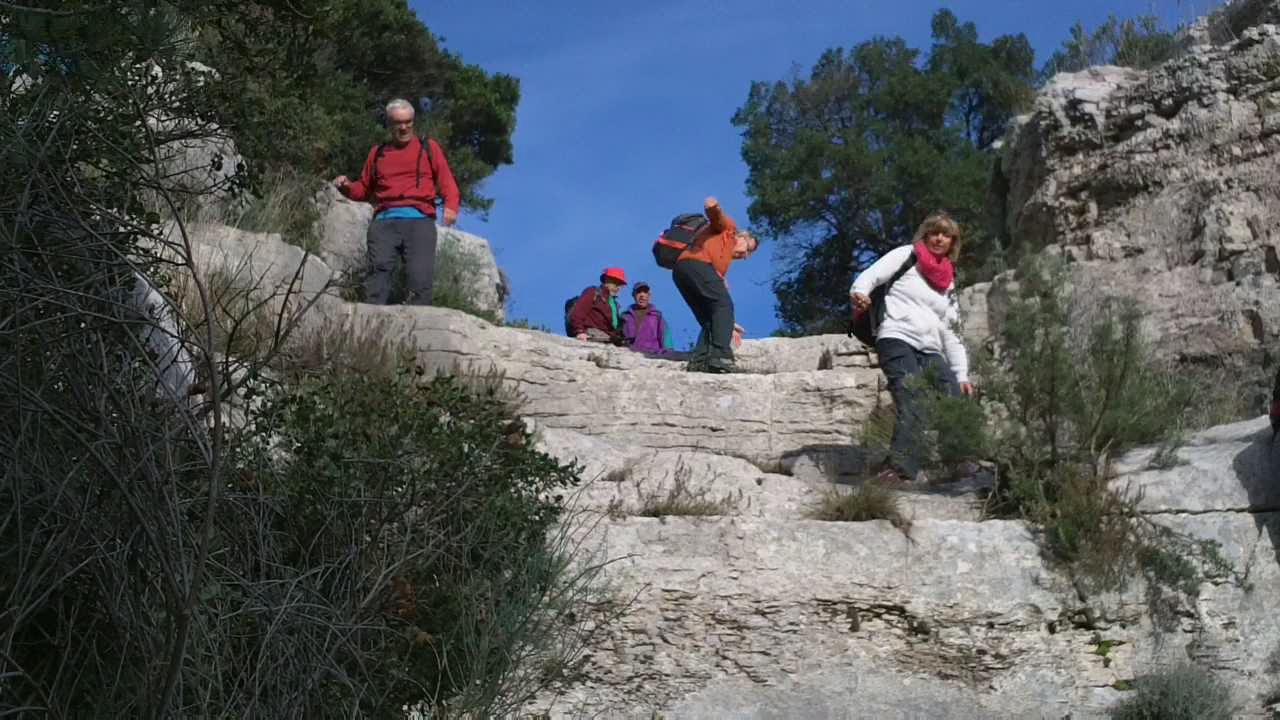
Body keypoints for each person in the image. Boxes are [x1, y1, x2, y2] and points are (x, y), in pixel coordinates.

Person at [850, 211, 974, 485]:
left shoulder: (948, 280)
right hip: (896, 337)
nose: (939, 238)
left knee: (953, 396)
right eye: (934, 232)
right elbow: (871, 276)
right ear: (925, 235)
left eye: (946, 235)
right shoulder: (907, 255)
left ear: (953, 242)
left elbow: (952, 330)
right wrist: (860, 293)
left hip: (930, 349)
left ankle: (958, 461)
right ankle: (898, 470)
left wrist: (961, 373)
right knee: (913, 397)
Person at [332, 98, 460, 305]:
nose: (404, 127)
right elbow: (363, 189)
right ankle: (372, 321)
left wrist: (451, 207)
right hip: (384, 223)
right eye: (398, 123)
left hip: (419, 222)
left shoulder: (428, 147)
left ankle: (418, 323)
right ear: (389, 124)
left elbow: (447, 182)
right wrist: (346, 186)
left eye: (408, 122)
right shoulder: (378, 153)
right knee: (377, 278)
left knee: (420, 279)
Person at [672, 196, 758, 373]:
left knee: (710, 319)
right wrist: (713, 206)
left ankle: (699, 362)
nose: (746, 256)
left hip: (681, 272)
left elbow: (718, 306)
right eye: (748, 249)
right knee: (724, 306)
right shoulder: (729, 231)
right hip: (695, 264)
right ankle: (721, 357)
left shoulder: (721, 262)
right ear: (741, 237)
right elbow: (717, 218)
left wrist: (728, 324)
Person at [569, 267, 628, 344]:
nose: (618, 287)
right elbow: (577, 313)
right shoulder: (593, 292)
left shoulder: (614, 304)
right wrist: (579, 331)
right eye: (616, 283)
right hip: (591, 335)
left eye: (620, 285)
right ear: (606, 280)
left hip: (607, 338)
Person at [621, 281, 674, 354]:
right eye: (639, 292)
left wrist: (669, 353)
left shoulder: (657, 316)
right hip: (630, 355)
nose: (642, 295)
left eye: (645, 292)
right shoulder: (625, 316)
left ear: (649, 295)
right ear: (633, 295)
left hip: (652, 356)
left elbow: (666, 339)